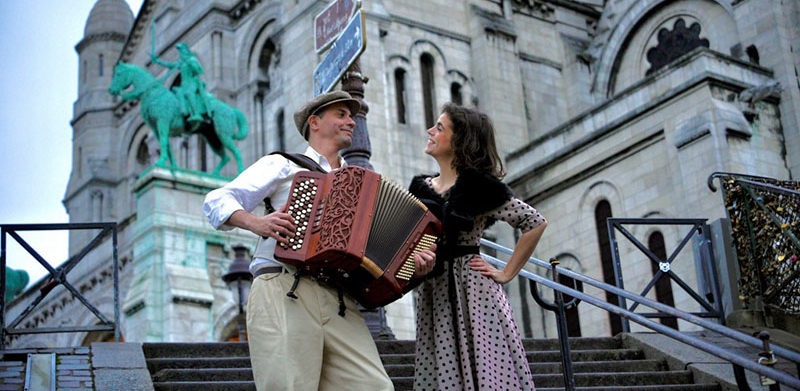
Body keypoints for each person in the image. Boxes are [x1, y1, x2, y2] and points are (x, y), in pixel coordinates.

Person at [204, 90, 435, 390]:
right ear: (314, 122)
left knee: (375, 386)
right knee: (289, 386)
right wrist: (257, 222)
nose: (351, 122)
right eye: (341, 114)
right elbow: (217, 200)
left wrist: (409, 269)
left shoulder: (361, 187)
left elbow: (374, 263)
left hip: (338, 299)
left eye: (352, 116)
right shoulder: (284, 165)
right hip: (283, 288)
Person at [408, 103, 547, 390]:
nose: (430, 131)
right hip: (434, 290)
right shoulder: (420, 190)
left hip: (473, 289)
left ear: (459, 140)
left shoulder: (480, 187)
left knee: (487, 370)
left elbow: (534, 222)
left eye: (439, 127)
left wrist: (506, 273)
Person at [152, 42, 208, 123]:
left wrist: (190, 63)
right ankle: (183, 112)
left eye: (181, 50)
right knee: (177, 93)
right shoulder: (181, 63)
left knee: (188, 93)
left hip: (192, 83)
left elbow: (199, 70)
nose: (180, 53)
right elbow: (169, 65)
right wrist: (157, 61)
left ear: (185, 51)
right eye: (180, 51)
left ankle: (196, 114)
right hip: (184, 85)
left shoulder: (191, 60)